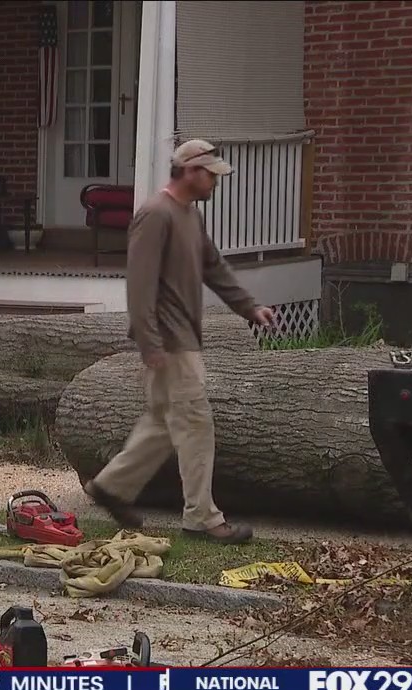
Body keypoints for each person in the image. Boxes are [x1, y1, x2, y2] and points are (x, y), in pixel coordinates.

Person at [81, 138, 275, 545]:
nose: (215, 183)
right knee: (196, 425)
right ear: (190, 171)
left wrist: (250, 308)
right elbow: (139, 285)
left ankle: (111, 486)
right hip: (170, 343)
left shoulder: (189, 217)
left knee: (163, 425)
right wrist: (150, 343)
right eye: (211, 175)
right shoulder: (155, 215)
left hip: (181, 340)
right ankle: (203, 518)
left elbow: (214, 267)